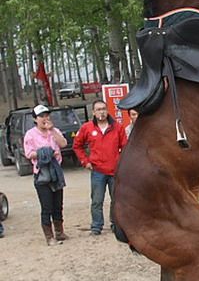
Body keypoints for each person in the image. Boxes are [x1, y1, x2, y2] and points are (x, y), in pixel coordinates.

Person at [73, 100, 127, 235]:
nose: (101, 112)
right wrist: (85, 161)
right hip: (97, 171)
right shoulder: (87, 128)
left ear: (107, 110)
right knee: (97, 200)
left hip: (115, 171)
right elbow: (77, 146)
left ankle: (116, 224)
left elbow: (125, 147)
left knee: (116, 199)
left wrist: (121, 162)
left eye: (103, 109)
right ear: (93, 112)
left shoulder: (117, 127)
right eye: (98, 109)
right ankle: (96, 226)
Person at [23, 104, 68, 245]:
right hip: (42, 174)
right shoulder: (30, 134)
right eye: (41, 116)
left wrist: (52, 130)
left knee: (58, 205)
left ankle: (59, 231)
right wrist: (45, 153)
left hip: (56, 173)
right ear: (35, 119)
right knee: (46, 206)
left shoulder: (54, 131)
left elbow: (63, 144)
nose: (45, 118)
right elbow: (29, 153)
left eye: (47, 115)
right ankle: (49, 236)